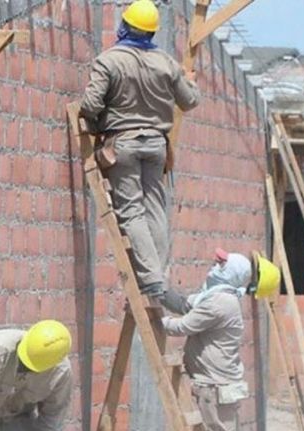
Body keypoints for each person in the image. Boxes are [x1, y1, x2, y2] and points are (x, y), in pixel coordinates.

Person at [80, 0, 200, 299]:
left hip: (123, 144)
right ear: (152, 32)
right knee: (155, 210)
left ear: (124, 25)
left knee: (131, 212)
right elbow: (189, 101)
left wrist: (96, 124)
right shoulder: (167, 63)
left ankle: (152, 280)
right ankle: (159, 276)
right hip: (157, 144)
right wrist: (189, 81)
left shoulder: (109, 61)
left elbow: (90, 105)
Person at [160, 250, 281, 431]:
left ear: (233, 273)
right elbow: (186, 304)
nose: (215, 266)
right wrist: (161, 291)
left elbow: (184, 325)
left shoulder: (221, 302)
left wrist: (155, 321)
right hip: (218, 385)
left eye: (221, 264)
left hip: (215, 388)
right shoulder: (218, 296)